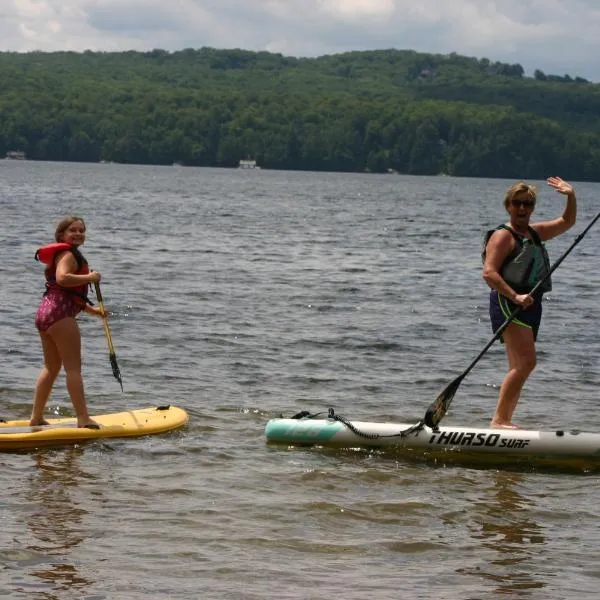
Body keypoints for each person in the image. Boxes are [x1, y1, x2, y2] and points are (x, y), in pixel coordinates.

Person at [482, 177, 576, 429]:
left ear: (532, 207)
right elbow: (489, 273)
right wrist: (515, 296)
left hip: (531, 304)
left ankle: (504, 421)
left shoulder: (535, 232)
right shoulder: (503, 236)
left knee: (519, 365)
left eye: (527, 204)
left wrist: (571, 195)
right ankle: (499, 420)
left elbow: (567, 222)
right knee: (526, 363)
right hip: (509, 301)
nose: (522, 209)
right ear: (508, 206)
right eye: (517, 203)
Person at [31, 216, 105, 428]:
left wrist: (93, 311)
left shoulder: (63, 254)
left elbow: (66, 292)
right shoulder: (68, 255)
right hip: (60, 316)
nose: (78, 233)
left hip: (45, 313)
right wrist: (90, 278)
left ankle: (36, 417)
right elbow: (63, 279)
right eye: (72, 230)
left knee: (51, 367)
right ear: (61, 235)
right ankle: (83, 418)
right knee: (73, 369)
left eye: (81, 230)